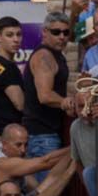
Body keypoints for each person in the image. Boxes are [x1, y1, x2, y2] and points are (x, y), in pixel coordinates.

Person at [22, 13, 76, 184]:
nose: (62, 37)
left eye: (66, 33)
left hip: (45, 134)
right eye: (56, 32)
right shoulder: (44, 56)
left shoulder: (56, 53)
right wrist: (65, 102)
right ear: (44, 32)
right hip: (42, 137)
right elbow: (44, 96)